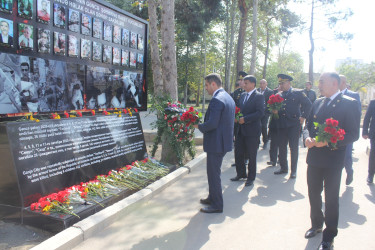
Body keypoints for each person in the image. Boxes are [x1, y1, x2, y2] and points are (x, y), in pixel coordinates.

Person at [304, 72, 360, 250]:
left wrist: (327, 141)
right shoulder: (318, 102)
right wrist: (306, 138)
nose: (318, 85)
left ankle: (329, 235)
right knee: (313, 194)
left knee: (331, 199)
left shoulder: (348, 104)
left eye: (322, 82)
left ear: (334, 83)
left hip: (333, 160)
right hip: (314, 158)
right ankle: (316, 224)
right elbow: (308, 126)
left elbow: (353, 134)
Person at [193, 73, 235, 213]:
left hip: (216, 143)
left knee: (213, 174)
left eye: (206, 85)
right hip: (222, 142)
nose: (206, 88)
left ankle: (217, 205)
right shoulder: (228, 97)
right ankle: (212, 197)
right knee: (213, 173)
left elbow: (212, 124)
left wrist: (198, 126)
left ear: (213, 84)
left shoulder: (217, 99)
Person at [273, 74, 312, 179]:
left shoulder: (298, 93)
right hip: (281, 124)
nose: (281, 85)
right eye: (280, 83)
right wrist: (274, 111)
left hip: (293, 125)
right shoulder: (279, 95)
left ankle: (293, 171)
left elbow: (308, 105)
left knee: (293, 148)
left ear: (289, 83)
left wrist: (303, 116)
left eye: (283, 83)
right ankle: (283, 168)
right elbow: (274, 108)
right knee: (281, 147)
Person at [231, 75, 264, 186]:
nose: (243, 85)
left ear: (253, 84)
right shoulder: (242, 95)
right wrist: (236, 117)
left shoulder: (258, 96)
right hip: (240, 130)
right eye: (243, 83)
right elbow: (239, 109)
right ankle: (241, 174)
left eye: (246, 83)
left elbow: (260, 113)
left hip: (252, 131)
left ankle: (251, 177)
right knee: (238, 153)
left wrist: (245, 119)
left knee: (251, 155)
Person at [339, 75, 361, 185]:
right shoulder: (333, 95)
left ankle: (349, 171)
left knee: (347, 155)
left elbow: (357, 114)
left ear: (343, 82)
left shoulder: (353, 95)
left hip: (347, 132)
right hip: (335, 131)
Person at [257, 79, 273, 148]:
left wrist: (265, 110)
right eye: (261, 83)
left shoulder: (270, 91)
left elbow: (270, 102)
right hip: (257, 112)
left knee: (263, 126)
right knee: (257, 127)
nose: (262, 85)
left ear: (266, 84)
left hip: (265, 113)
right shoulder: (257, 90)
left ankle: (265, 141)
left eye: (263, 83)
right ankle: (257, 142)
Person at [362, 100, 375, 184]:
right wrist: (365, 131)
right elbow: (367, 117)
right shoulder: (373, 103)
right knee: (373, 154)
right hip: (374, 133)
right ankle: (370, 174)